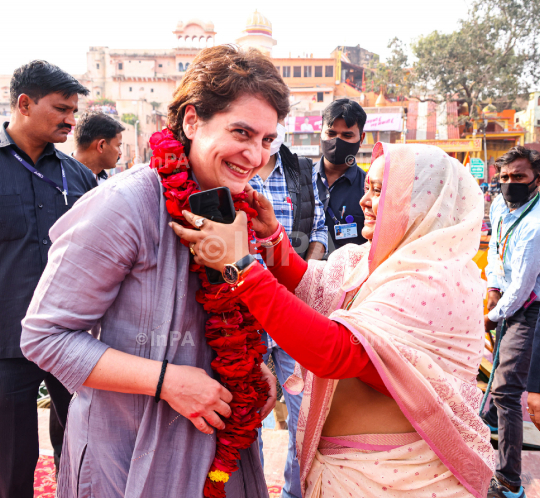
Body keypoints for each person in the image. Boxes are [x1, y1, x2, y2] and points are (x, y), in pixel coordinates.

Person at [21, 45, 290, 497]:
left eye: (266, 141)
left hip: (224, 444)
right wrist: (168, 382)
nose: (255, 156)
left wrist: (254, 367)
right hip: (131, 454)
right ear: (190, 121)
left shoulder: (237, 208)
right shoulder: (125, 205)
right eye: (241, 132)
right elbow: (46, 337)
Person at [175, 142, 496, 498]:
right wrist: (270, 236)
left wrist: (243, 269)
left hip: (398, 477)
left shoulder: (434, 280)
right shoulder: (377, 259)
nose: (364, 200)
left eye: (379, 190)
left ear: (424, 204)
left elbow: (337, 352)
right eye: (368, 187)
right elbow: (313, 286)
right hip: (351, 470)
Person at [0, 60, 96, 498]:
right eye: (61, 109)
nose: (71, 121)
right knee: (10, 460)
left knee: (84, 445)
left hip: (71, 338)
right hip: (5, 341)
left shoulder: (79, 177)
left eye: (74, 110)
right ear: (24, 103)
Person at [249, 125, 327, 498]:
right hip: (243, 313)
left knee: (303, 417)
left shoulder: (301, 169)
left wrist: (301, 277)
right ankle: (251, 490)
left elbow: (320, 230)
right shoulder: (232, 167)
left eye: (271, 129)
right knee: (248, 417)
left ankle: (293, 493)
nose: (264, 140)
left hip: (293, 310)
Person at [481, 146, 540, 498]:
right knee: (500, 377)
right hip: (506, 301)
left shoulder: (535, 225)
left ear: (535, 180)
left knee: (507, 389)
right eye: (504, 178)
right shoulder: (500, 206)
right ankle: (490, 417)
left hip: (529, 307)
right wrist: (491, 286)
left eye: (519, 177)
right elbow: (495, 251)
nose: (510, 184)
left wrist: (491, 315)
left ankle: (508, 481)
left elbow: (522, 287)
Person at [316, 98, 367, 255]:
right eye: (331, 133)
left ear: (361, 138)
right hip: (302, 273)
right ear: (321, 133)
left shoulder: (369, 189)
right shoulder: (300, 181)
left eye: (347, 135)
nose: (337, 141)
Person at [73, 111, 125, 184]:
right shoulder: (61, 179)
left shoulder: (106, 182)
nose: (120, 153)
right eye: (118, 146)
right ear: (101, 146)